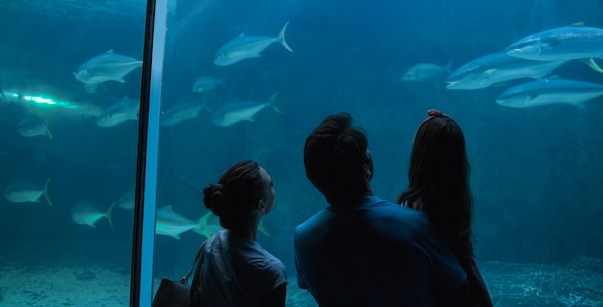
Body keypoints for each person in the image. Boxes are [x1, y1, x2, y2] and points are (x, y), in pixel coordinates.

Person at [294, 112, 471, 307]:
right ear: (366, 165)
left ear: (313, 178)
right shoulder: (416, 226)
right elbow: (462, 294)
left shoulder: (303, 238)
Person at [398, 109, 493, 307]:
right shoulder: (452, 201)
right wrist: (444, 129)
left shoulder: (412, 207)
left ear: (420, 153)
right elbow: (467, 262)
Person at [196, 160, 287, 307]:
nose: (274, 184)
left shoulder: (210, 243)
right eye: (270, 184)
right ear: (261, 205)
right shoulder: (270, 270)